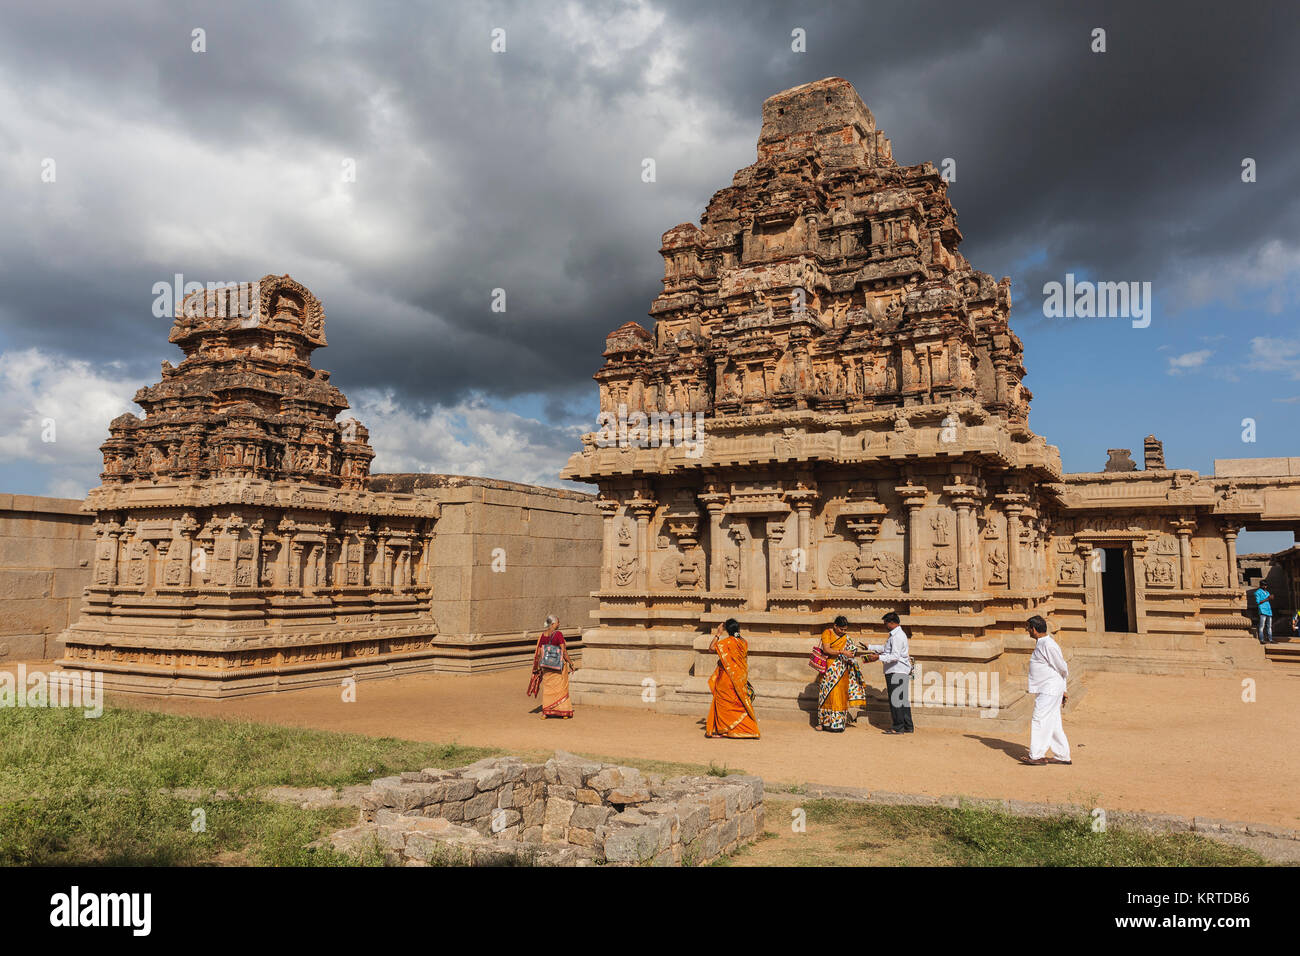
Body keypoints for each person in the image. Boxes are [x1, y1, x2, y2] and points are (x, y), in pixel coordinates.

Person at [1021, 615, 1070, 765]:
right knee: (1053, 722)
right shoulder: (1042, 644)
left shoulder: (1048, 645)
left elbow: (1062, 668)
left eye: (1028, 628)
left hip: (1050, 689)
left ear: (1034, 629)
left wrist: (1063, 689)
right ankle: (1062, 755)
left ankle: (1036, 756)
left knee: (1039, 719)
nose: (1027, 631)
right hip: (1049, 689)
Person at [705, 618, 760, 738]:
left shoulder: (727, 642)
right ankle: (746, 729)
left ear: (726, 630)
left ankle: (724, 729)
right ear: (738, 629)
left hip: (727, 678)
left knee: (724, 703)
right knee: (737, 703)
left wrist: (718, 634)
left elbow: (711, 648)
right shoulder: (743, 642)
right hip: (740, 678)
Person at [816, 615, 867, 732]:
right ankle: (823, 723)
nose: (843, 632)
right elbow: (826, 649)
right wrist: (842, 652)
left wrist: (851, 652)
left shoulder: (846, 637)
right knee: (827, 695)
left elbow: (851, 650)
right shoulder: (827, 633)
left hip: (842, 670)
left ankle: (837, 723)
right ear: (835, 626)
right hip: (830, 668)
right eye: (841, 629)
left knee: (840, 696)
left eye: (845, 630)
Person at [866, 611, 913, 734]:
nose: (884, 625)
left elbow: (894, 656)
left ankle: (898, 727)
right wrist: (869, 647)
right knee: (902, 700)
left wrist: (878, 658)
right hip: (900, 670)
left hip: (896, 670)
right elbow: (886, 649)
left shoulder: (897, 636)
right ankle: (908, 726)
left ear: (892, 623)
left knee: (896, 700)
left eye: (885, 623)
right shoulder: (897, 635)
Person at [528, 615, 577, 719]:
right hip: (558, 666)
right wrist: (571, 663)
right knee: (561, 689)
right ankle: (563, 712)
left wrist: (539, 666)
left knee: (548, 690)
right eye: (558, 622)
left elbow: (540, 652)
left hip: (546, 667)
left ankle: (546, 712)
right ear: (553, 624)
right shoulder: (558, 634)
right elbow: (563, 652)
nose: (559, 624)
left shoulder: (543, 635)